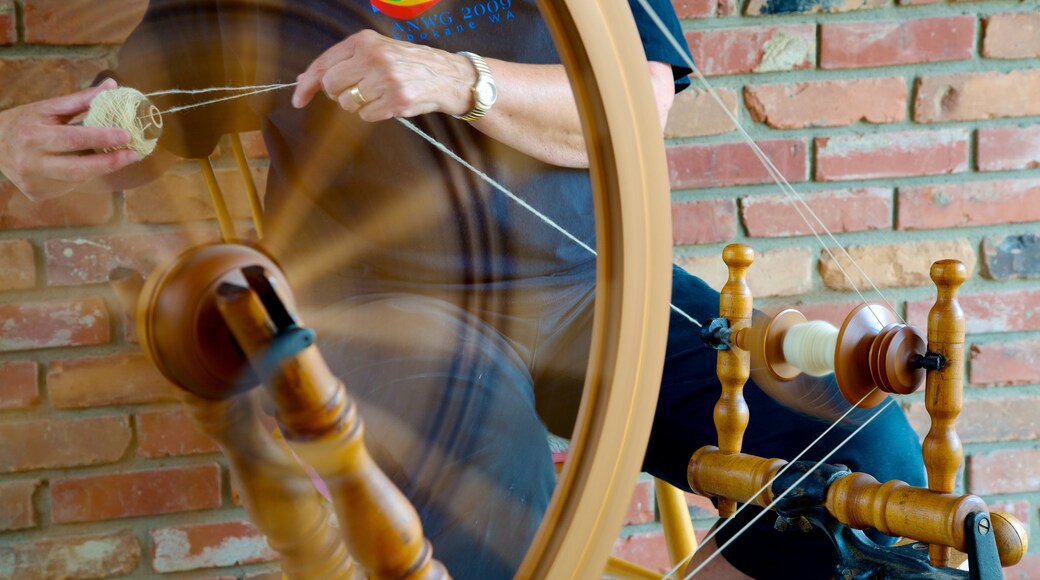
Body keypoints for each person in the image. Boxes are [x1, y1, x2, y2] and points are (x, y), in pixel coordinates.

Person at [0, 1, 925, 577]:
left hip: (593, 288)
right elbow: (141, 121)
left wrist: (461, 79)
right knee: (499, 513)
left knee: (867, 447)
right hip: (384, 313)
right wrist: (47, 150)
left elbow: (639, 103)